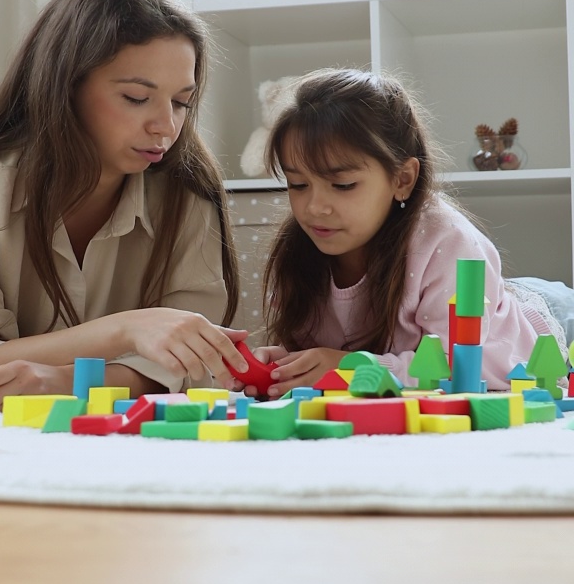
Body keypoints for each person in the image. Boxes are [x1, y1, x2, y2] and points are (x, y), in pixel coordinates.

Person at [0, 0, 249, 410]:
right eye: (137, 98)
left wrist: (67, 380)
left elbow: (196, 362)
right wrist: (125, 329)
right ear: (66, 86)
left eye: (181, 102)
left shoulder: (187, 197)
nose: (166, 126)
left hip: (50, 356)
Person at [237, 67, 568, 397]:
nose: (314, 207)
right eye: (298, 184)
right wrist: (287, 366)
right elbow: (324, 354)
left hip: (544, 320)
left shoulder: (447, 241)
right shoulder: (301, 248)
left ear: (402, 180)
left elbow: (460, 367)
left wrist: (354, 369)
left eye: (342, 185)